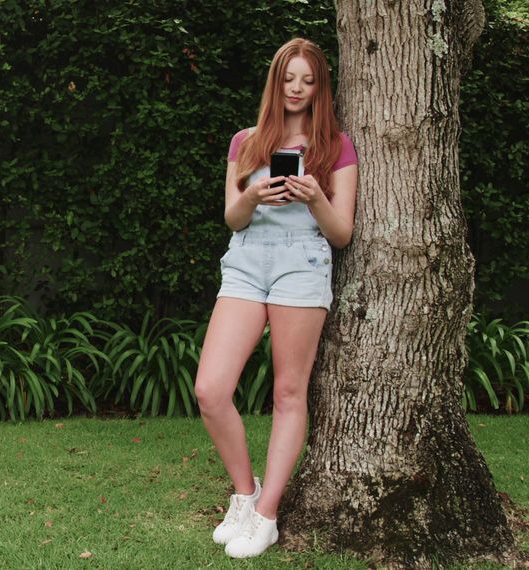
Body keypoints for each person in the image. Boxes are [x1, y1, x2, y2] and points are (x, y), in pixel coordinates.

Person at [193, 38, 358, 559]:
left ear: (320, 87)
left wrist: (315, 197)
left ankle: (266, 518)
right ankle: (245, 495)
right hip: (246, 262)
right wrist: (252, 195)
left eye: (308, 81)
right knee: (210, 389)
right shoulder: (246, 142)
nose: (297, 89)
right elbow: (232, 218)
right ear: (276, 81)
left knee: (289, 392)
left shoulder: (336, 146)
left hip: (301, 264)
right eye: (289, 78)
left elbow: (342, 233)